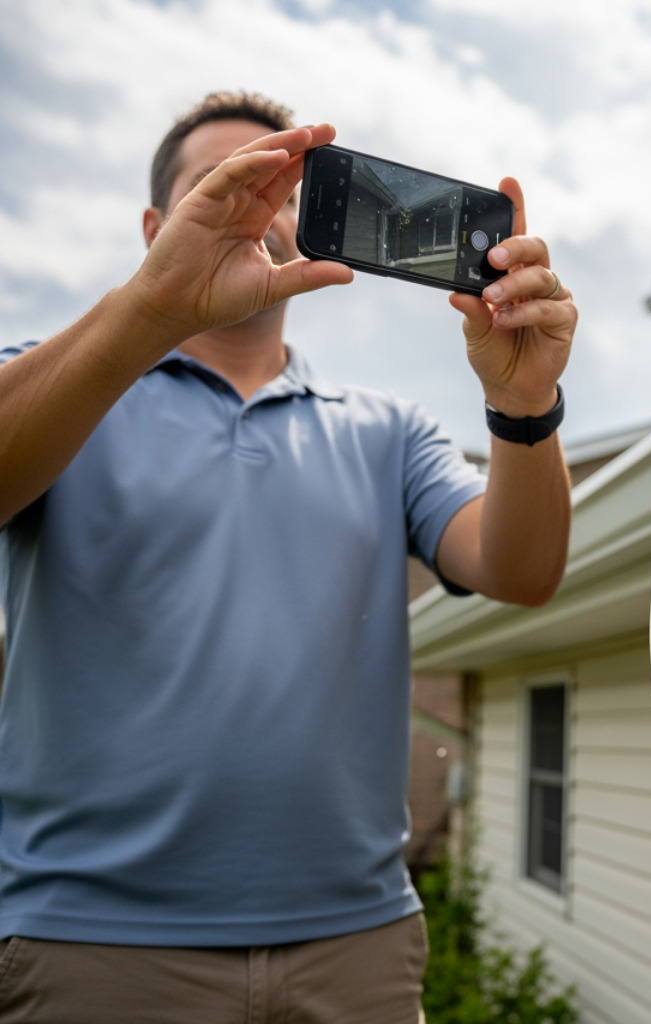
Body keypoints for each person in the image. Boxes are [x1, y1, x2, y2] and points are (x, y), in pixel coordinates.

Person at [0, 92, 575, 1021]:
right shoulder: (61, 381)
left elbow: (522, 570)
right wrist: (151, 308)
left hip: (358, 943)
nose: (257, 208)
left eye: (284, 190)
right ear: (154, 227)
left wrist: (525, 406)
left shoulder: (390, 430)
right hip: (91, 944)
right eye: (224, 183)